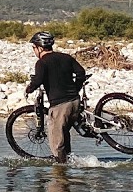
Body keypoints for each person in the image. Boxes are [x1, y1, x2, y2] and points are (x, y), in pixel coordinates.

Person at [23, 31, 87, 163]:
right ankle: (69, 168)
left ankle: (60, 176)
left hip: (59, 106)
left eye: (34, 48)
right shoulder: (66, 57)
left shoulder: (41, 63)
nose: (34, 51)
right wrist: (76, 89)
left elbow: (38, 80)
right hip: (75, 102)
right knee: (64, 135)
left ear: (39, 48)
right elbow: (81, 73)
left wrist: (29, 89)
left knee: (56, 144)